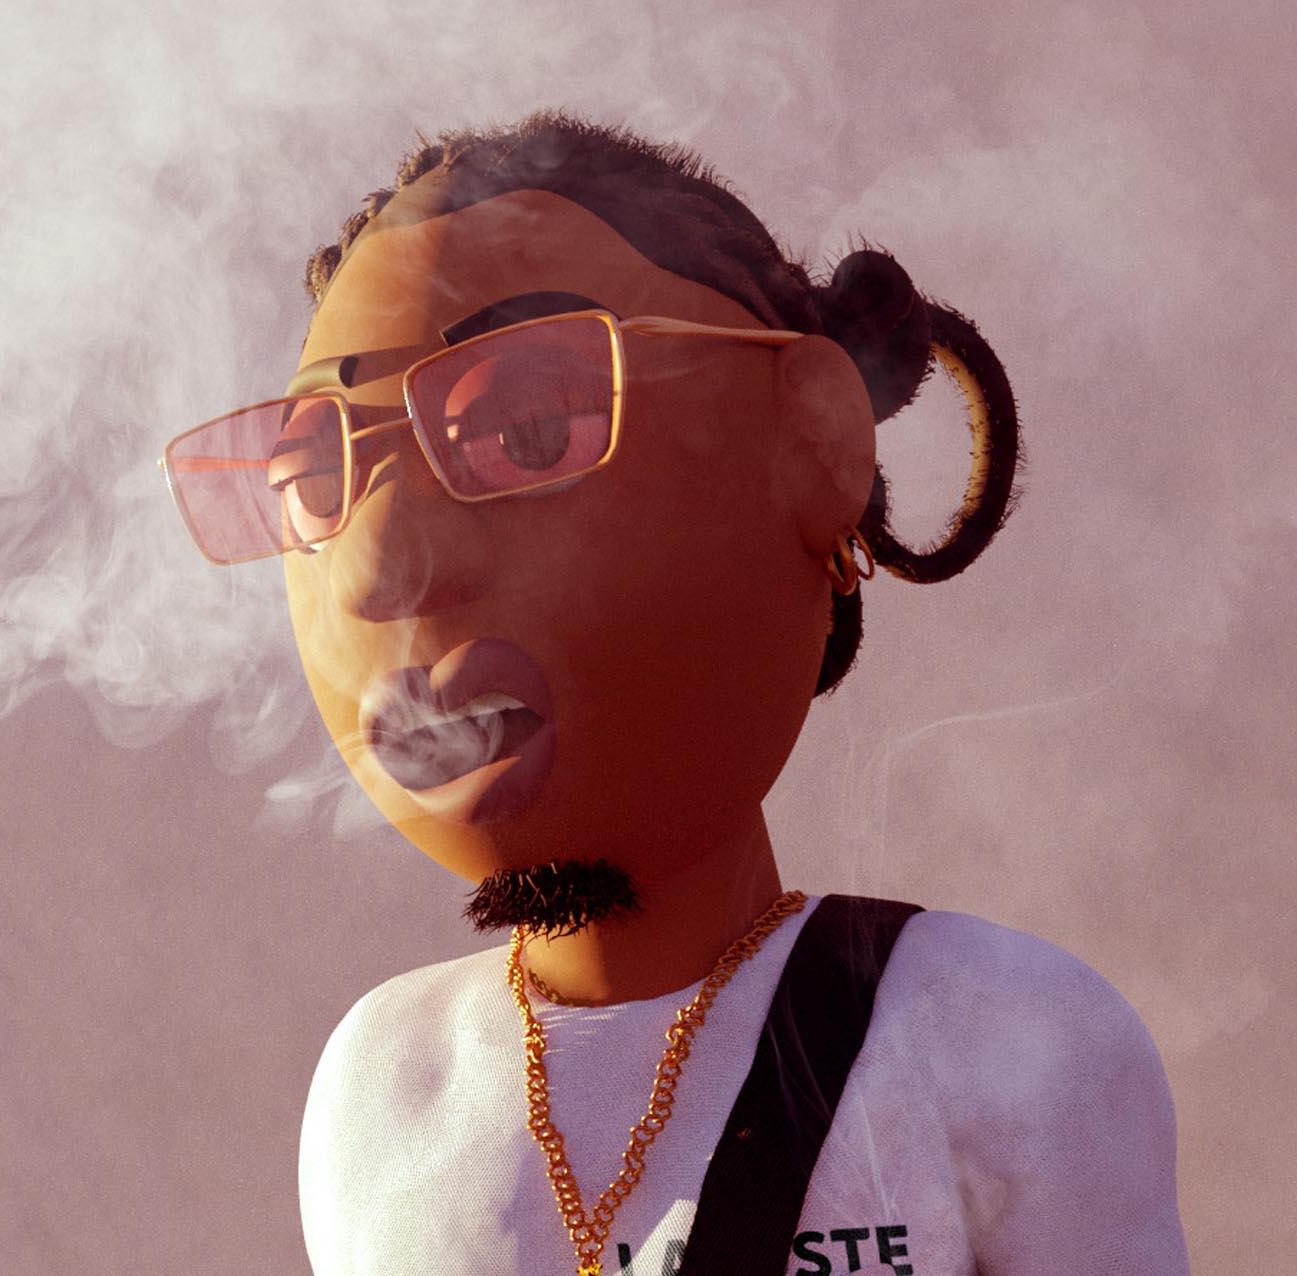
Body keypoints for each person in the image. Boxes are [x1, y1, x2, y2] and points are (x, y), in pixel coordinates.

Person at [160, 112, 1188, 1275]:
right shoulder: (385, 1090)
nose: (381, 567)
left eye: (525, 426)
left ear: (812, 445)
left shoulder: (1000, 1036)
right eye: (312, 475)